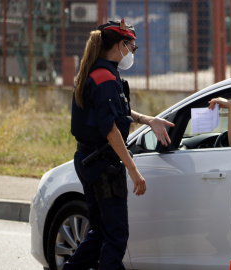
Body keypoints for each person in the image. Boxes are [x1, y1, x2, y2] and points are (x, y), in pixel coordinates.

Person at [66, 19, 174, 270]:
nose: (132, 54)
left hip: (90, 160)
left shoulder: (98, 72)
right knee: (116, 235)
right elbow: (110, 129)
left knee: (101, 232)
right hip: (103, 166)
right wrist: (133, 170)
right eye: (132, 48)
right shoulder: (104, 77)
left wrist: (146, 119)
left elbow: (117, 112)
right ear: (120, 45)